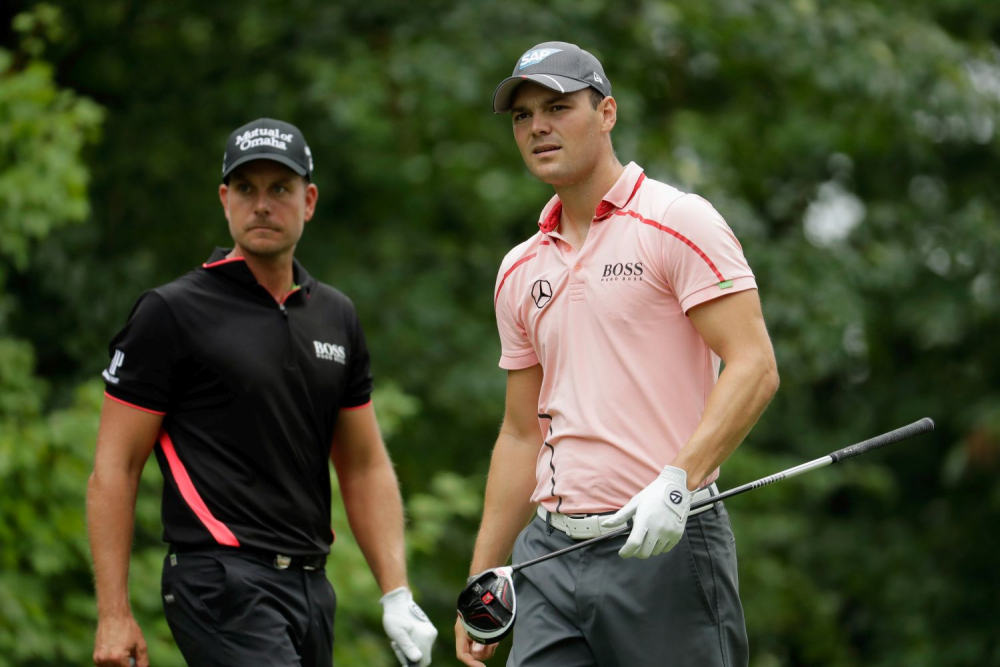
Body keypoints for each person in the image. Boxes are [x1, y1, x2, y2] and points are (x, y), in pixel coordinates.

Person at [455, 42, 779, 667]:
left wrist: (679, 481)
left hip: (664, 545)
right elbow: (523, 433)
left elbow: (754, 365)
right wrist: (484, 572)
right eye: (522, 116)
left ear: (606, 114)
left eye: (557, 107)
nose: (538, 127)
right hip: (550, 555)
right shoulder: (518, 268)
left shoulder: (678, 220)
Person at [88, 118, 437, 667]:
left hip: (310, 587)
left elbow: (365, 465)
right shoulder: (172, 312)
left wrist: (396, 593)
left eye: (280, 188)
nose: (262, 204)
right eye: (246, 189)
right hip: (218, 580)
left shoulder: (335, 316)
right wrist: (113, 613)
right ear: (225, 199)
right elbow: (115, 465)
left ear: (310, 200)